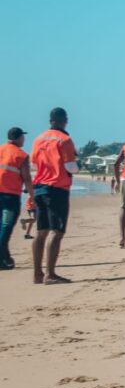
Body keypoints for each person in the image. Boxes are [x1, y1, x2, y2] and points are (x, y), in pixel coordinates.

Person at [30, 107, 79, 284]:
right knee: (57, 231)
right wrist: (77, 164)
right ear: (62, 120)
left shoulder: (38, 139)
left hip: (39, 186)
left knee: (41, 231)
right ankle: (50, 273)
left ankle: (37, 273)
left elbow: (34, 163)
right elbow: (70, 167)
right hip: (57, 187)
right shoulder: (65, 139)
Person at [1, 127, 34, 270]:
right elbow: (26, 178)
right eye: (23, 137)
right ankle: (2, 259)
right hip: (10, 195)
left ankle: (6, 257)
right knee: (6, 227)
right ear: (19, 138)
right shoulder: (21, 155)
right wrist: (33, 196)